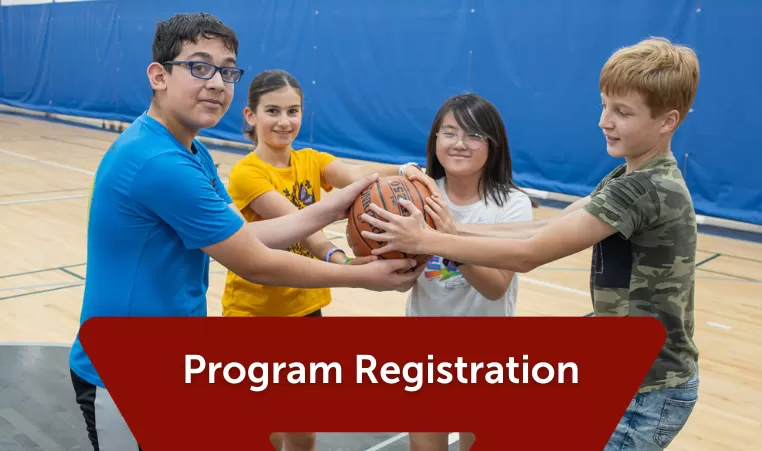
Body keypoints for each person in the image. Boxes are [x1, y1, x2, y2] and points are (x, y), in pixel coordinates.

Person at [68, 13, 420, 451]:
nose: (217, 82)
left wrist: (337, 201)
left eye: (227, 70)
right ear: (158, 75)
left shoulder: (189, 151)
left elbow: (250, 234)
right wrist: (363, 275)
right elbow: (253, 261)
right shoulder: (159, 162)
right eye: (199, 67)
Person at [359, 37, 701, 450]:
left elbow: (529, 254)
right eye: (604, 106)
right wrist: (445, 233)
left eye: (622, 112)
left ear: (668, 121)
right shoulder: (626, 178)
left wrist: (430, 238)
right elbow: (542, 231)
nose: (604, 122)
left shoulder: (644, 189)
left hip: (649, 387)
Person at [221, 68, 437, 451]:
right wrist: (347, 267)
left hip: (307, 311)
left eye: (293, 111)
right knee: (265, 430)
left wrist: (405, 171)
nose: (284, 122)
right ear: (250, 116)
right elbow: (299, 223)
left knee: (303, 430)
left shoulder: (312, 160)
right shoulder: (246, 174)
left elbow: (356, 175)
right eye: (272, 111)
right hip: (255, 318)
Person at [404, 93, 534, 451]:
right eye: (449, 133)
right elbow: (402, 282)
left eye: (473, 135)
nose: (459, 144)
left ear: (493, 145)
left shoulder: (511, 205)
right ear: (434, 141)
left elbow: (495, 287)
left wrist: (448, 240)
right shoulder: (416, 196)